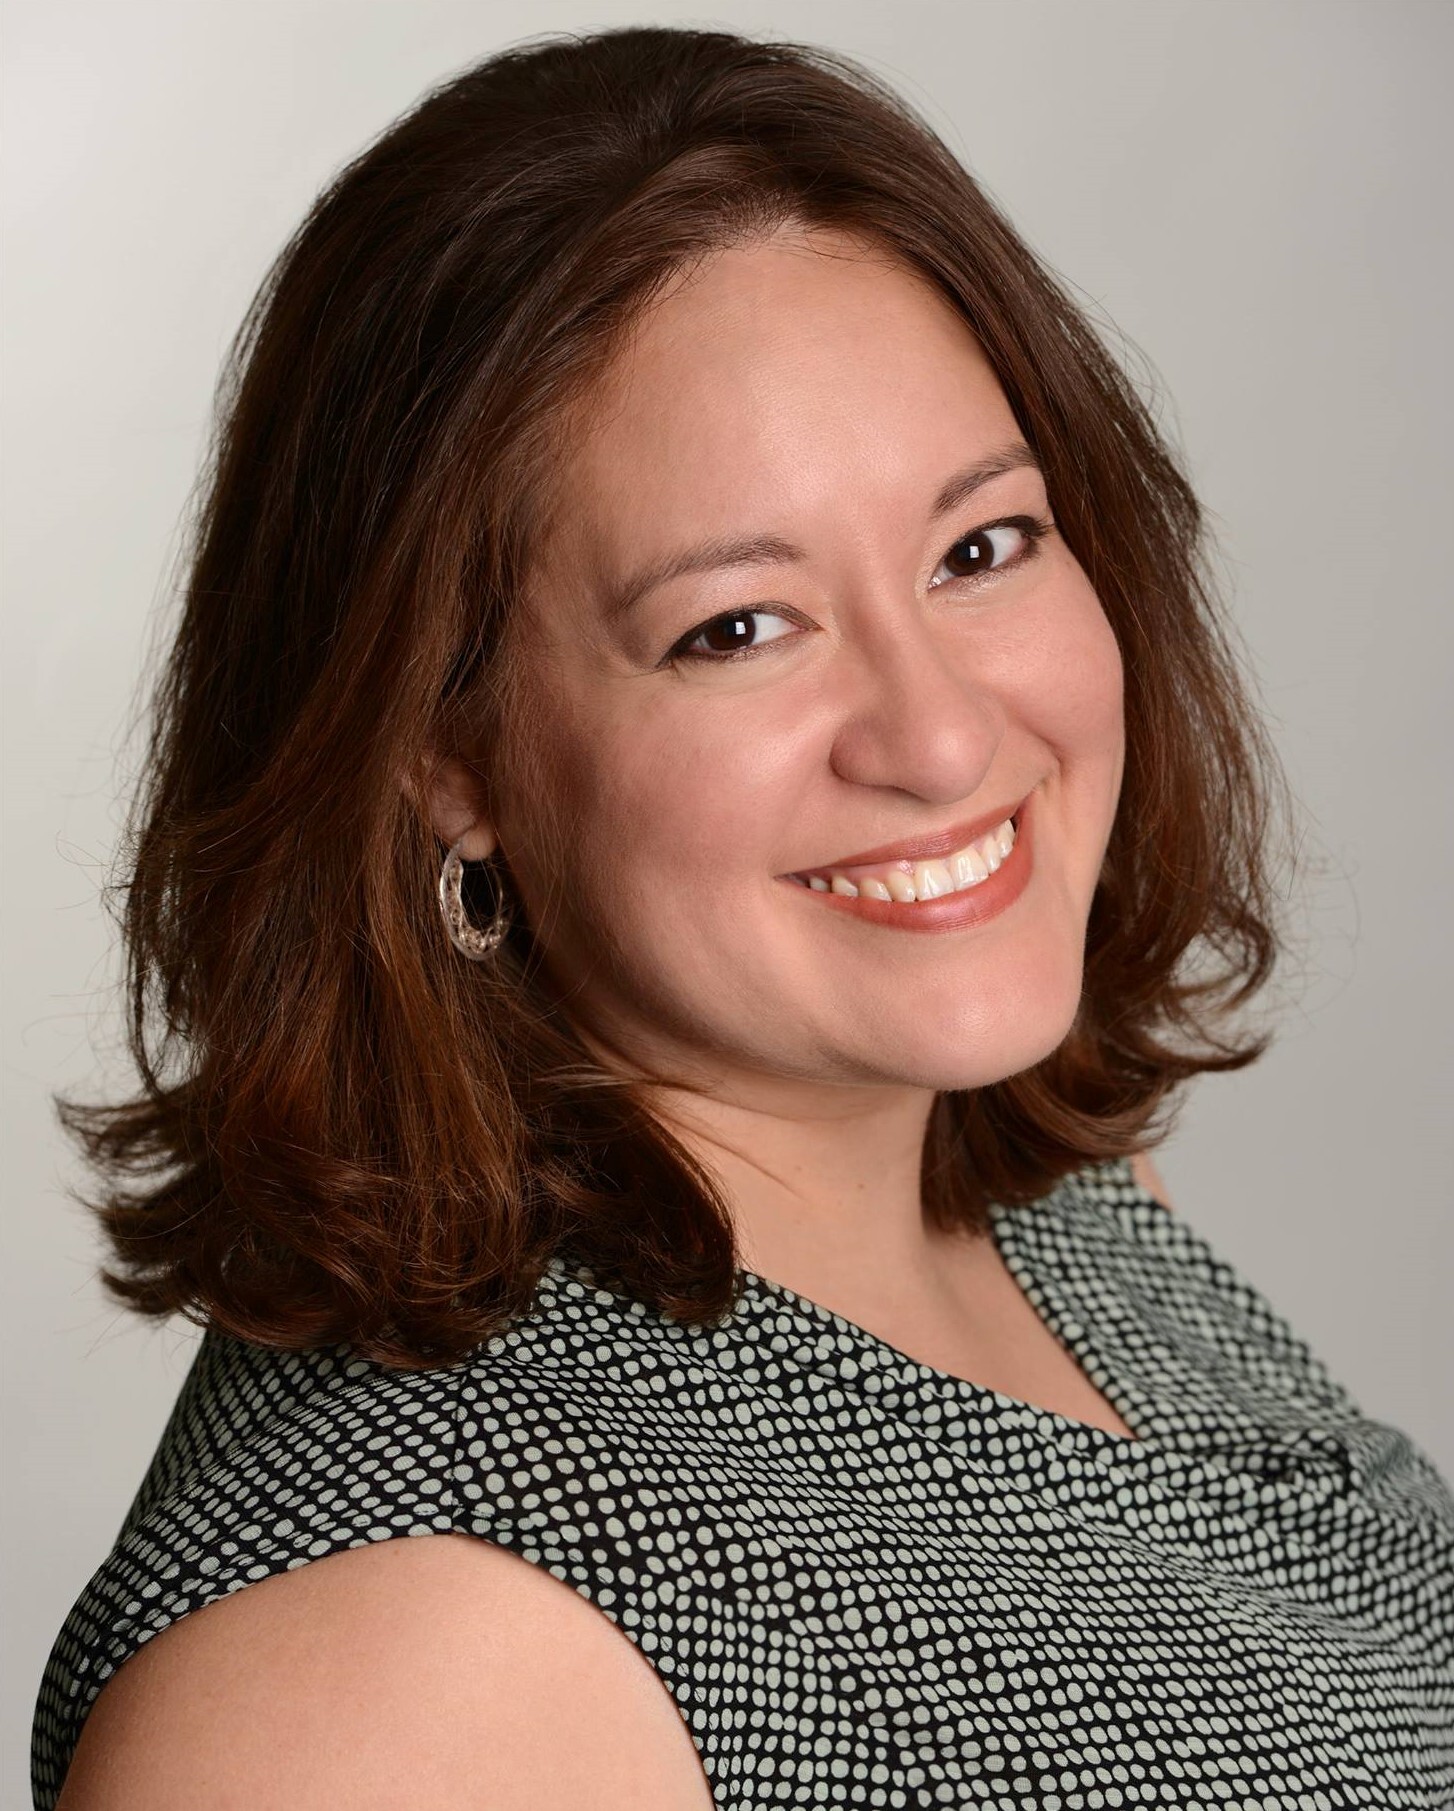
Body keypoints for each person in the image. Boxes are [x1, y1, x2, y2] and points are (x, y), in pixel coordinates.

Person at [31, 23, 1454, 1811]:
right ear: (440, 756)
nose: (941, 736)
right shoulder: (395, 1666)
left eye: (982, 546)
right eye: (736, 628)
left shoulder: (1060, 1207)